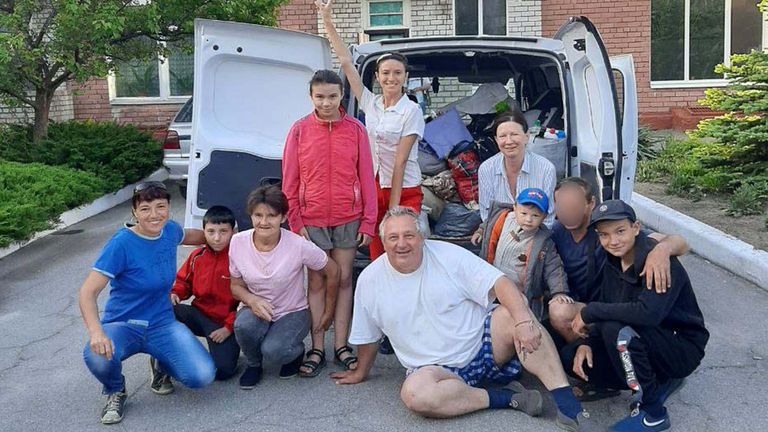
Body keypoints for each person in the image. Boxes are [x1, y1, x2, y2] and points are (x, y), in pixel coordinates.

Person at [332, 207, 600, 431]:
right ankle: (506, 398)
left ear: (422, 237)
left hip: (484, 346)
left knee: (516, 312)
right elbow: (368, 336)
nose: (401, 243)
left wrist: (522, 322)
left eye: (409, 235)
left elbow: (501, 283)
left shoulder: (448, 255)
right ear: (383, 241)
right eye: (393, 237)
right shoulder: (369, 280)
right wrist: (360, 372)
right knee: (415, 395)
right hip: (434, 369)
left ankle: (567, 404)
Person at [561, 200, 708, 432]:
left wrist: (589, 312)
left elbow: (647, 313)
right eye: (605, 235)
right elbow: (611, 304)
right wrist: (587, 342)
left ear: (636, 228)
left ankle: (653, 413)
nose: (613, 241)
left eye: (620, 231)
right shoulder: (612, 261)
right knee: (572, 355)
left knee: (616, 330)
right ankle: (660, 381)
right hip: (648, 341)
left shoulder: (659, 262)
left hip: (681, 347)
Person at [79, 181, 216, 425]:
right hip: (123, 324)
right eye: (145, 209)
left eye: (160, 206)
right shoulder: (121, 244)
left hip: (161, 324)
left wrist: (237, 236)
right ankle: (115, 389)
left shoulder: (170, 231)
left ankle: (161, 363)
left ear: (169, 207)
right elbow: (87, 293)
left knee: (202, 376)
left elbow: (201, 236)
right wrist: (96, 332)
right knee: (96, 354)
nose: (154, 215)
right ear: (134, 212)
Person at [282, 69, 377, 377]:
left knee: (346, 279)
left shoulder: (357, 130)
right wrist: (296, 221)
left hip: (349, 217)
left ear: (342, 97)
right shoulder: (298, 131)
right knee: (318, 280)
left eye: (332, 96)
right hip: (312, 219)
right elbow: (289, 182)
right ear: (311, 97)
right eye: (320, 97)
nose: (326, 103)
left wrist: (369, 222)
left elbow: (366, 178)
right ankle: (317, 346)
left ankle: (341, 345)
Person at [317, 0, 426, 261]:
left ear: (405, 76)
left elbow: (399, 163)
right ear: (377, 76)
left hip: (405, 189)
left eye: (397, 73)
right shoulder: (371, 103)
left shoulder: (411, 111)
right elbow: (345, 62)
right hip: (373, 186)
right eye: (386, 73)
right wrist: (328, 20)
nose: (391, 78)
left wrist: (393, 211)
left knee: (402, 248)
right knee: (378, 251)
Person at [547, 177, 690, 347]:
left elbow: (681, 243)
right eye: (562, 206)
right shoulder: (555, 231)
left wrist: (662, 250)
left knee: (565, 314)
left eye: (574, 205)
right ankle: (584, 348)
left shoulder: (606, 229)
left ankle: (602, 351)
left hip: (606, 305)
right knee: (560, 320)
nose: (568, 211)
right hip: (579, 302)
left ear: (591, 203)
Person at [229, 186, 340, 389]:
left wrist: (329, 311)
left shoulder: (298, 245)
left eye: (271, 215)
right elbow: (235, 286)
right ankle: (254, 364)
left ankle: (293, 355)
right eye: (258, 215)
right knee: (242, 325)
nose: (263, 222)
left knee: (273, 350)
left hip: (293, 312)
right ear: (250, 216)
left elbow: (333, 270)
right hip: (258, 308)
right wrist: (252, 300)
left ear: (283, 217)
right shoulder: (237, 242)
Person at [168, 205, 240, 383]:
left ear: (233, 231)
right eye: (211, 231)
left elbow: (245, 301)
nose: (217, 238)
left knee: (223, 371)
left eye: (223, 231)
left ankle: (219, 354)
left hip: (224, 322)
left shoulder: (240, 258)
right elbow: (183, 282)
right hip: (199, 314)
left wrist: (228, 328)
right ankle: (164, 363)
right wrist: (175, 293)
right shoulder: (197, 256)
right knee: (166, 309)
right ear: (204, 231)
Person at [478, 188, 571, 323]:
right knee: (484, 315)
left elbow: (554, 269)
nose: (528, 219)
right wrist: (480, 231)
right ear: (515, 208)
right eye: (524, 213)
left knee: (514, 319)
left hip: (518, 293)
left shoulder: (543, 242)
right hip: (491, 283)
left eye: (535, 216)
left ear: (545, 216)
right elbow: (488, 225)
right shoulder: (502, 219)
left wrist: (559, 292)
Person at [473, 110, 557, 246]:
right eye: (502, 136)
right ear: (496, 140)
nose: (509, 141)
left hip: (535, 239)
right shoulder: (487, 168)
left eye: (514, 134)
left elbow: (548, 218)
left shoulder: (546, 168)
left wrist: (525, 242)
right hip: (499, 236)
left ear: (527, 136)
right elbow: (487, 214)